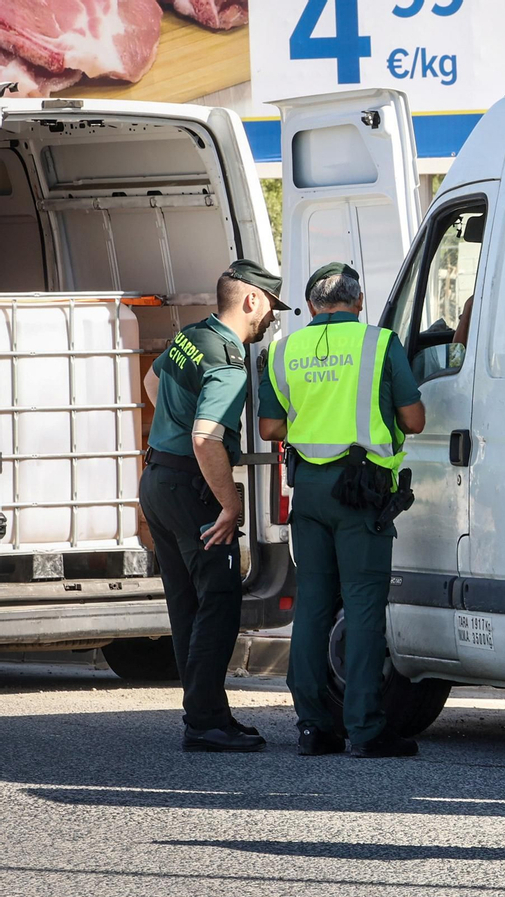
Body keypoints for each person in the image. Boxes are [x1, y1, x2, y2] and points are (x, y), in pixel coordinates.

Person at [259, 263, 427, 758]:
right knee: (363, 605)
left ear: (312, 305)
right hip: (362, 493)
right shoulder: (380, 344)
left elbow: (270, 428)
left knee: (312, 604)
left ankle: (314, 728)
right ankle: (367, 728)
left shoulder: (283, 350)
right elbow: (414, 420)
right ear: (358, 302)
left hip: (308, 491)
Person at [139, 259, 288, 752]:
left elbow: (152, 383)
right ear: (251, 300)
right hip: (191, 489)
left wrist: (174, 433)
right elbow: (206, 439)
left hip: (158, 480)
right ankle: (204, 721)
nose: (272, 318)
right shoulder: (227, 361)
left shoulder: (192, 335)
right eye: (271, 307)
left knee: (187, 605)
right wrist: (229, 506)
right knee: (219, 603)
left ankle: (207, 714)